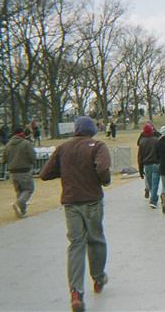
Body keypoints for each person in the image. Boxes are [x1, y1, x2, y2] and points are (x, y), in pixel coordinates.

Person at [39, 116, 111, 312]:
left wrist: (66, 171)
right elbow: (103, 168)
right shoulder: (98, 146)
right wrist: (104, 180)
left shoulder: (63, 148)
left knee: (75, 244)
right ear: (92, 130)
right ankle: (98, 278)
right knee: (96, 239)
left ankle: (76, 292)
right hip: (92, 200)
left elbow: (45, 173)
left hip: (71, 202)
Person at [2, 126, 36, 218]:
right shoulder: (26, 143)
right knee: (28, 189)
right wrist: (32, 163)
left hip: (12, 172)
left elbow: (3, 159)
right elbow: (32, 157)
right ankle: (19, 203)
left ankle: (22, 211)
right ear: (22, 133)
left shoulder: (8, 144)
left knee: (19, 191)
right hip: (24, 170)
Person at [137, 123, 160, 209]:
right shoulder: (156, 140)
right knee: (155, 183)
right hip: (156, 164)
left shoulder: (142, 142)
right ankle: (153, 199)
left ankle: (153, 197)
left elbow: (140, 157)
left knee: (150, 183)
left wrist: (140, 170)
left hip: (147, 165)